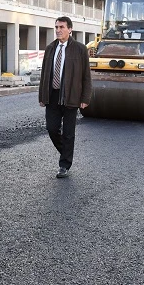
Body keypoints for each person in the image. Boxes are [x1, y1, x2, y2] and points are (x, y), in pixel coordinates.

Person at [39, 16, 92, 178]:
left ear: (70, 29)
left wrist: (85, 98)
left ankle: (64, 165)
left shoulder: (80, 49)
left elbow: (86, 76)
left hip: (71, 96)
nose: (58, 30)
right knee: (52, 129)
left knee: (69, 133)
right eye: (56, 27)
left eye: (61, 27)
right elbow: (44, 74)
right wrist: (42, 95)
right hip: (53, 96)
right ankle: (67, 153)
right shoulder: (50, 48)